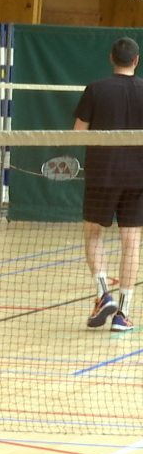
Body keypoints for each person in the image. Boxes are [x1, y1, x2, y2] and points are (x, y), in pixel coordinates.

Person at [74, 36, 143, 333]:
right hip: (138, 177)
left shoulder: (96, 89)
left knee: (93, 236)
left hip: (102, 175)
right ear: (136, 60)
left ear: (111, 58)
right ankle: (123, 314)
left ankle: (104, 294)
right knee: (131, 244)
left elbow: (78, 133)